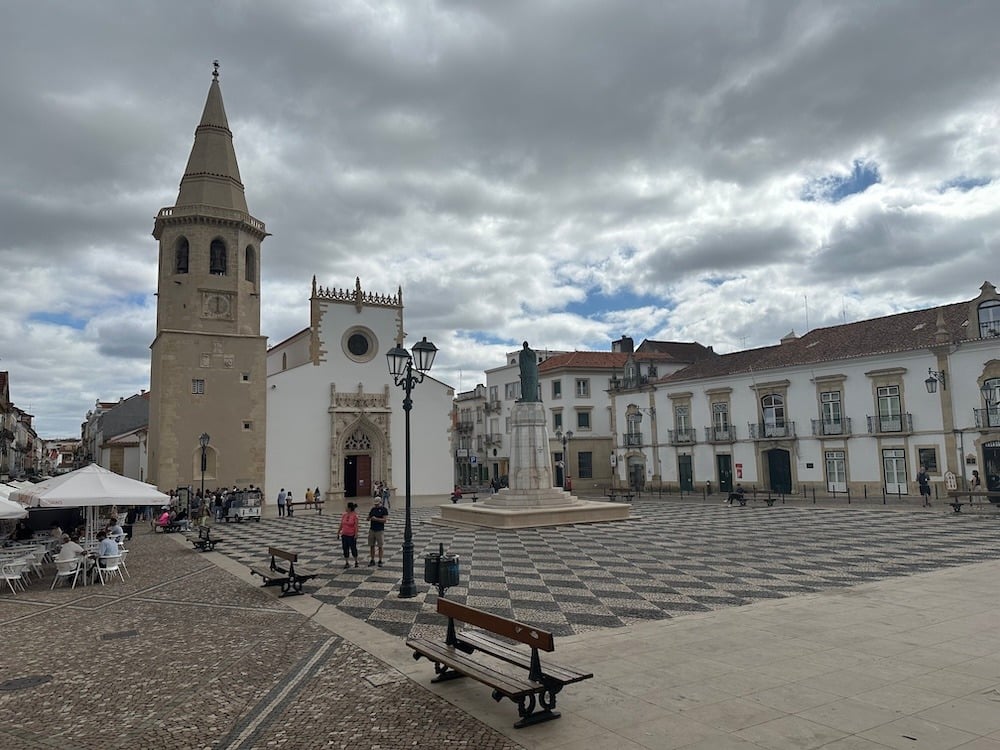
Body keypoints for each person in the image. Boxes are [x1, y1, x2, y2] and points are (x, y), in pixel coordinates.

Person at [367, 497, 389, 567]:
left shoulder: (384, 510)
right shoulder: (373, 509)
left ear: (380, 502)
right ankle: (372, 559)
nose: (376, 505)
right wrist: (368, 518)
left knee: (380, 546)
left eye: (377, 504)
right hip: (372, 529)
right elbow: (369, 516)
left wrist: (376, 519)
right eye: (375, 504)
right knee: (371, 545)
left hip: (379, 530)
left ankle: (380, 560)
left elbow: (384, 520)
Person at [338, 502, 360, 569]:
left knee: (353, 548)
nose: (345, 508)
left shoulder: (355, 516)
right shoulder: (344, 515)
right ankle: (347, 562)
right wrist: (338, 532)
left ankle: (356, 561)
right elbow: (341, 524)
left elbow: (356, 526)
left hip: (351, 535)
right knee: (345, 548)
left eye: (346, 507)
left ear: (349, 508)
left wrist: (356, 534)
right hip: (344, 534)